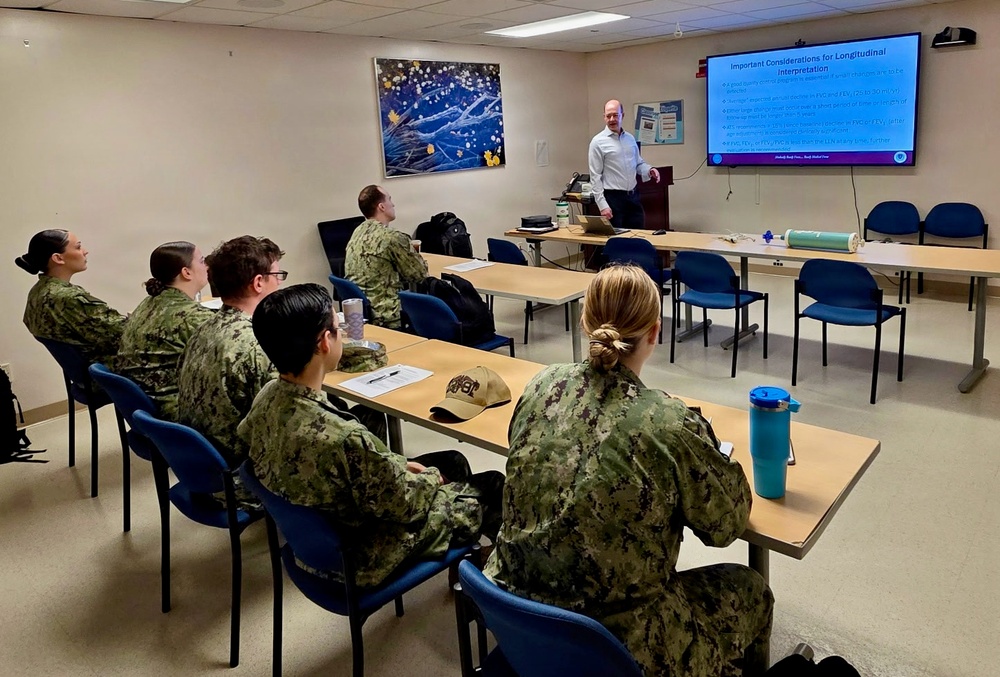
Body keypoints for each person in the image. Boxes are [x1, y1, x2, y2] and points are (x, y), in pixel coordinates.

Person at [484, 264, 773, 677]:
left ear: (585, 322)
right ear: (654, 333)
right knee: (751, 590)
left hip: (521, 616)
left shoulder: (540, 386)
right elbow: (727, 525)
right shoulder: (667, 422)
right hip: (620, 646)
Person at [238, 283, 503, 588]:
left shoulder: (267, 397)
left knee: (453, 460)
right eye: (338, 327)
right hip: (363, 552)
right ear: (325, 342)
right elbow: (407, 504)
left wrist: (397, 466)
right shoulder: (343, 438)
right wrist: (429, 476)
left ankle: (465, 563)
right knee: (491, 486)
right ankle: (500, 583)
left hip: (319, 539)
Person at [176, 236, 286, 463]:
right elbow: (286, 420)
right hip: (243, 478)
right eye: (277, 276)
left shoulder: (202, 329)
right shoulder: (257, 344)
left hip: (201, 465)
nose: (280, 283)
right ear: (258, 283)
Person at [116, 241, 213, 421]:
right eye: (201, 261)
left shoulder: (150, 302)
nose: (207, 265)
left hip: (148, 407)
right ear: (186, 272)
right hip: (174, 410)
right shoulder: (192, 317)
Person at [17, 229, 126, 366]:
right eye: (78, 247)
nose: (85, 251)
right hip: (113, 372)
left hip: (89, 378)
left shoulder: (38, 292)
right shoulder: (68, 298)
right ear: (58, 258)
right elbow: (124, 334)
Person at [345, 184, 428, 329]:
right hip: (388, 314)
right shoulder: (392, 237)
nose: (393, 204)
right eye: (389, 199)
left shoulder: (357, 232)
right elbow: (420, 275)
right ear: (382, 207)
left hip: (364, 311)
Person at [588, 99, 660, 230]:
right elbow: (595, 176)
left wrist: (649, 170)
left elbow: (638, 164)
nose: (611, 119)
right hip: (613, 200)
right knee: (617, 243)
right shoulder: (597, 142)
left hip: (633, 198)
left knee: (638, 237)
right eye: (608, 116)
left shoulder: (630, 139)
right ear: (604, 117)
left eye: (615, 115)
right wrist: (602, 205)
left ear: (623, 115)